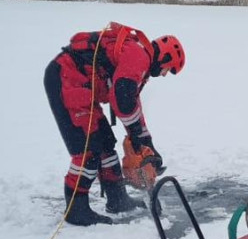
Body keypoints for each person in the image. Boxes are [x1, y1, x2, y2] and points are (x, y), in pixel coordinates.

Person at [44, 22, 185, 225]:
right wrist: (135, 134)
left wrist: (146, 141)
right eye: (167, 69)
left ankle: (117, 199)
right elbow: (123, 99)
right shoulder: (138, 57)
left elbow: (131, 103)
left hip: (80, 86)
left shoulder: (138, 60)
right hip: (66, 79)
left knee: (105, 143)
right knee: (89, 149)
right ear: (165, 57)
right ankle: (76, 209)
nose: (163, 74)